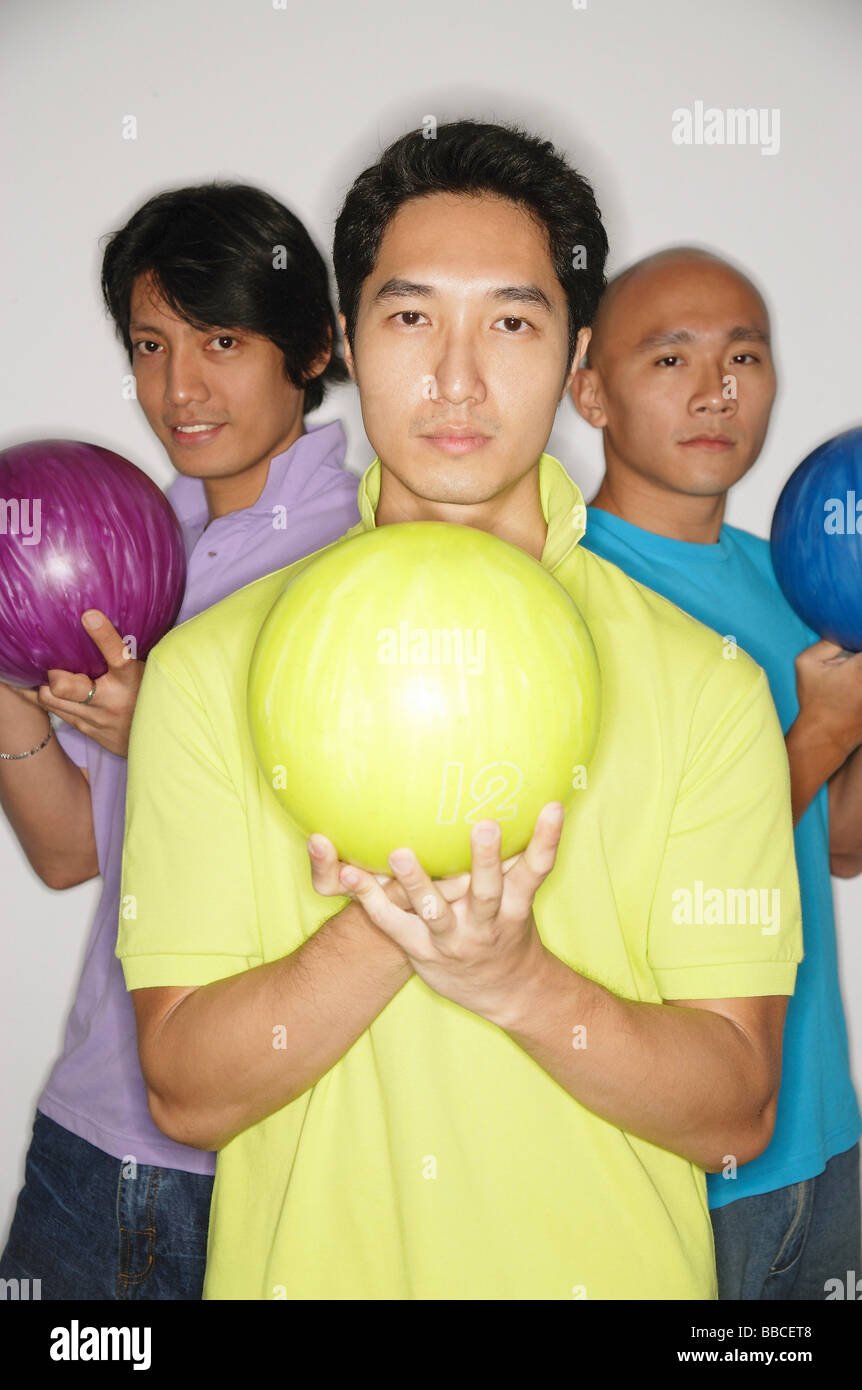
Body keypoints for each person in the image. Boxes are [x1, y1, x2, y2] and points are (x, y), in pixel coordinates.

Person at [117, 121, 803, 1300]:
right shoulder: (208, 674)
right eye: (410, 317)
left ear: (577, 355)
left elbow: (735, 1113)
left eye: (512, 322)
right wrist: (396, 919)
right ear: (342, 341)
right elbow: (187, 1091)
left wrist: (516, 979)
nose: (457, 377)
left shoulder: (709, 688)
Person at [0, 182, 360, 1299]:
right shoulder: (141, 544)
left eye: (222, 340)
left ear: (308, 349)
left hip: (258, 1152)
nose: (178, 387)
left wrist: (168, 724)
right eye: (151, 344)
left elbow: (366, 848)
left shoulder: (361, 555)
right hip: (91, 1134)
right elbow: (72, 852)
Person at [570, 245, 862, 1299]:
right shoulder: (568, 599)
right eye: (669, 359)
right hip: (669, 1157)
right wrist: (820, 735)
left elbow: (834, 843)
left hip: (820, 1130)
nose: (716, 391)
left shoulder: (793, 577)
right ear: (588, 390)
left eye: (744, 356)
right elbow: (632, 888)